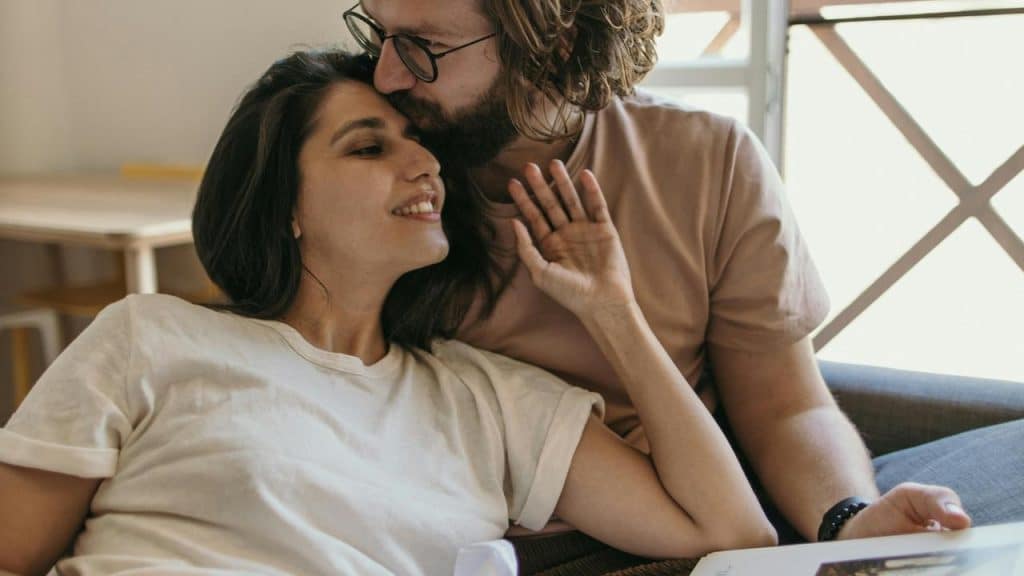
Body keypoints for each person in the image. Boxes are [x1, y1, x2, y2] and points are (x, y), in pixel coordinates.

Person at [0, 50, 779, 576]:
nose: (425, 164)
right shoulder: (151, 337)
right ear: (285, 207)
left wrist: (615, 314)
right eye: (368, 149)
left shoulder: (489, 398)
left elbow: (732, 537)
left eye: (419, 143)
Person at [347, 0, 1021, 552]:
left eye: (422, 49)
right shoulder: (365, 173)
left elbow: (785, 405)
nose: (385, 76)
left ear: (554, 45)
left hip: (705, 522)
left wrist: (848, 524)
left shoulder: (709, 162)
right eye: (378, 32)